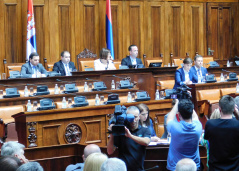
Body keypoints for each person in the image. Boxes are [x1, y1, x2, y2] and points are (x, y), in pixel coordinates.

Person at [107, 106, 151, 171]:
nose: (133, 120)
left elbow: (146, 142)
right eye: (130, 117)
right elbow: (110, 152)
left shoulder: (144, 130)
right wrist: (112, 134)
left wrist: (130, 136)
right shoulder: (121, 131)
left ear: (139, 117)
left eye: (135, 117)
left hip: (138, 169)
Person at [204, 95, 239, 170]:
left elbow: (207, 140)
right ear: (234, 109)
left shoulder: (210, 124)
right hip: (235, 168)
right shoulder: (237, 125)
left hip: (215, 168)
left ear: (219, 109)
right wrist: (237, 114)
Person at [166, 99, 202, 171]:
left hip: (175, 167)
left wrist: (177, 103)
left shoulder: (174, 126)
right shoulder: (198, 126)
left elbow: (169, 118)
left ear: (179, 114)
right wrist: (188, 101)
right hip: (193, 166)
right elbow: (195, 117)